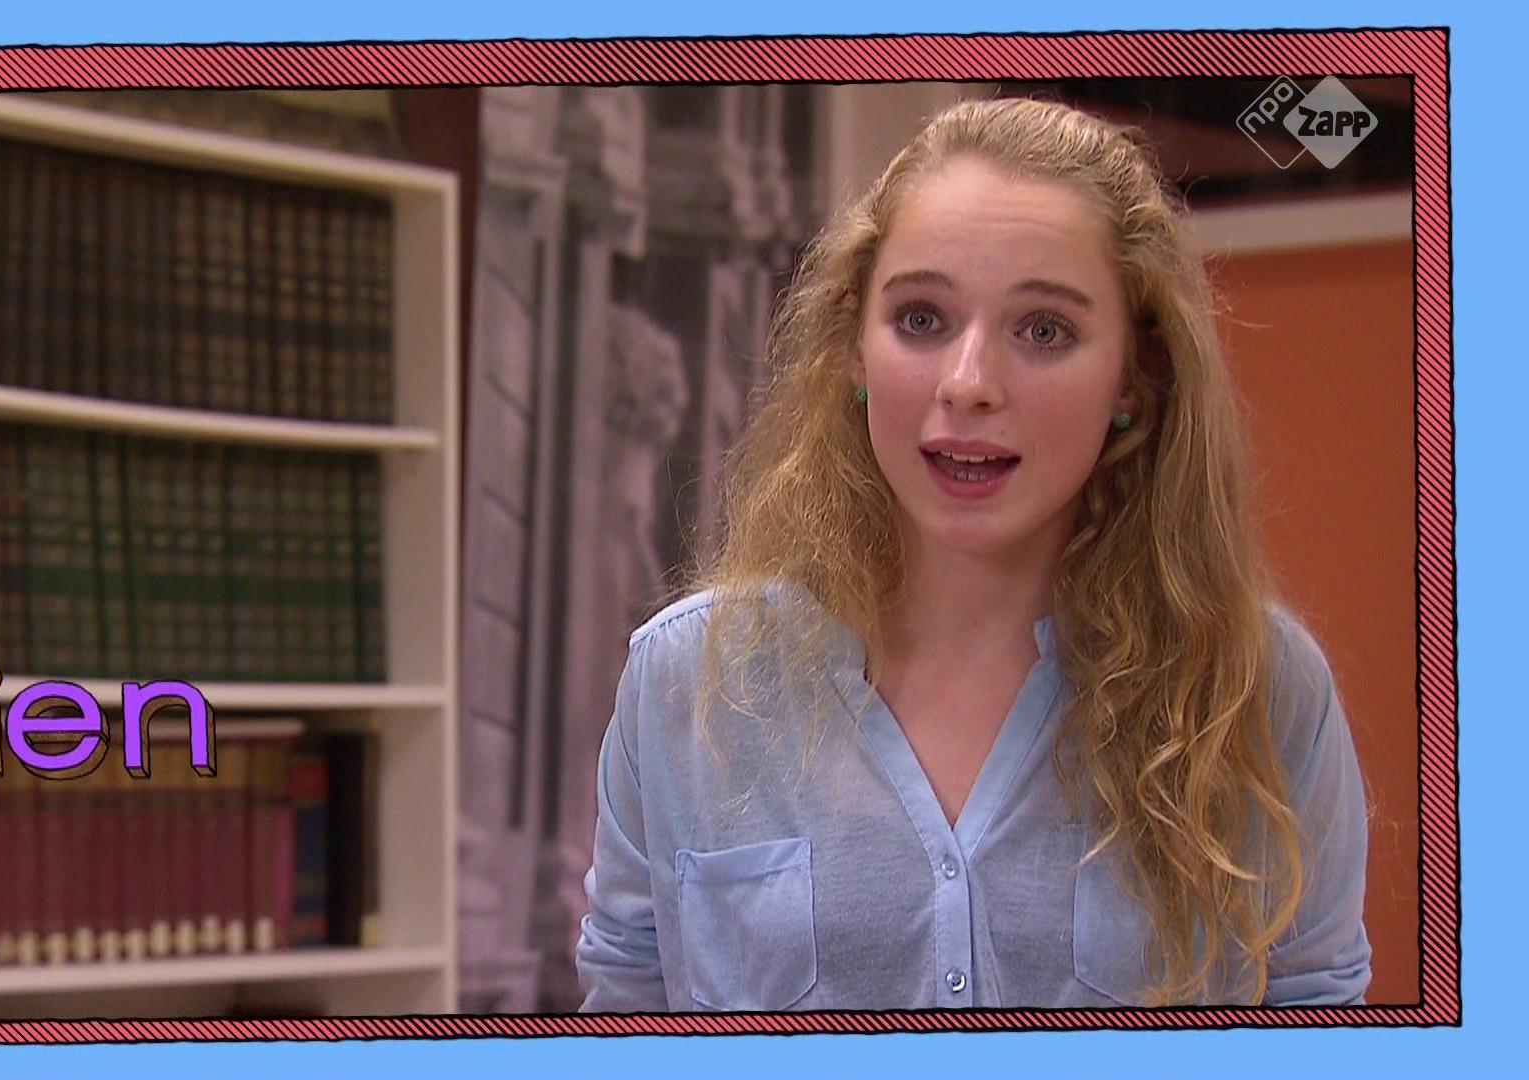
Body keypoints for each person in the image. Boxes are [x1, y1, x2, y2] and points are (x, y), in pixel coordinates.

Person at [573, 96, 1372, 1011]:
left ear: (1137, 378)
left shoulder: (1255, 689)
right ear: (854, 348)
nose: (968, 384)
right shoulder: (687, 682)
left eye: (1044, 330)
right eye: (922, 319)